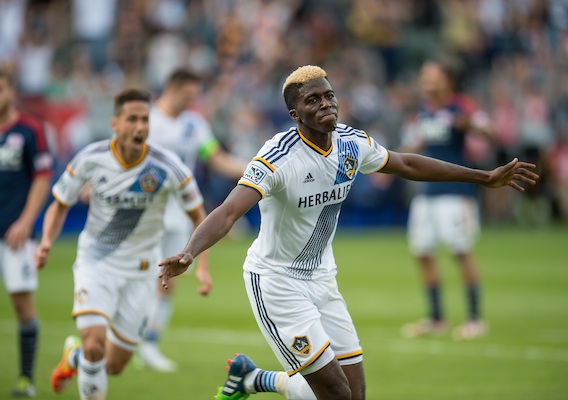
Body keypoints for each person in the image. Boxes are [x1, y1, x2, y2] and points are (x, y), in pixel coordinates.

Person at [158, 65, 538, 400]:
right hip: (277, 283)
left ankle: (252, 378)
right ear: (295, 114)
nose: (326, 104)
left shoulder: (351, 143)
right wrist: (190, 252)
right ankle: (254, 378)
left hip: (323, 279)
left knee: (354, 394)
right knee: (335, 393)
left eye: (329, 95)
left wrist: (483, 177)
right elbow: (228, 211)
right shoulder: (277, 157)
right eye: (313, 100)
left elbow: (405, 163)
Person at [35, 88, 210, 400]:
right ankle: (84, 354)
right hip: (96, 264)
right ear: (115, 123)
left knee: (113, 364)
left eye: (144, 119)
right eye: (132, 119)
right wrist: (46, 241)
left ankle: (73, 358)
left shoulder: (168, 167)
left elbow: (199, 214)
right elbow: (59, 203)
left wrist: (199, 264)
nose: (140, 127)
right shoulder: (91, 158)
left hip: (142, 271)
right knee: (94, 344)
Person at [137, 67, 247, 372]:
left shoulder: (195, 125)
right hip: (143, 210)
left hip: (180, 212)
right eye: (189, 93)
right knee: (136, 276)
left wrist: (254, 169)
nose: (193, 99)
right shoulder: (145, 119)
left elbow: (216, 158)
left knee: (167, 279)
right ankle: (124, 337)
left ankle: (149, 344)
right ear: (173, 87)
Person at [399, 60, 494, 340]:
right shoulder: (423, 112)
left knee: (460, 251)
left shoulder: (461, 107)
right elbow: (413, 145)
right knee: (422, 252)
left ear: (447, 80)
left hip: (456, 193)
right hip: (426, 193)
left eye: (431, 76)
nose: (426, 81)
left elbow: (490, 131)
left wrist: (472, 127)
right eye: (423, 75)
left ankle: (475, 319)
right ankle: (436, 318)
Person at [0, 66, 53, 398]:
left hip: (15, 234)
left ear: (11, 91)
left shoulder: (30, 129)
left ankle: (26, 379)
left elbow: (42, 176)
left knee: (22, 304)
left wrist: (26, 220)